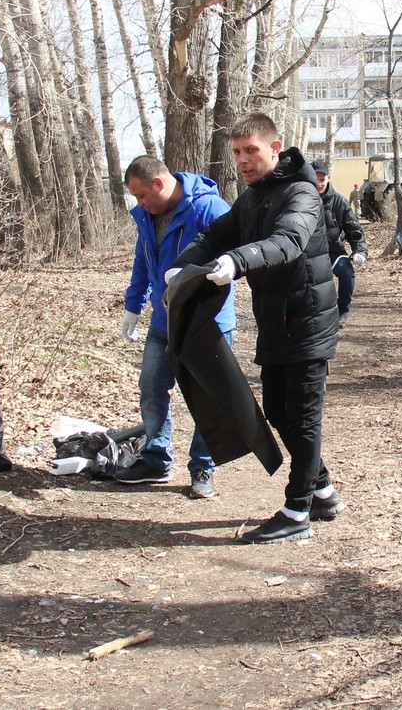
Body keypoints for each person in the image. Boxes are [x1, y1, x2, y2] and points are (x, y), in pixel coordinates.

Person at [171, 113, 343, 545]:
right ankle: (322, 489)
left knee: (301, 419)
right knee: (280, 413)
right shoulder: (250, 199)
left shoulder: (302, 193)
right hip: (275, 323)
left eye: (251, 150)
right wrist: (185, 264)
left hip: (308, 322)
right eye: (236, 152)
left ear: (274, 148)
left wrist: (235, 262)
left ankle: (297, 508)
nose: (243, 160)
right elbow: (215, 235)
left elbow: (288, 242)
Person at [118, 156, 235, 498]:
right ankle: (155, 459)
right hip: (163, 320)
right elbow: (143, 259)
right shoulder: (145, 215)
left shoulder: (209, 208)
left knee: (207, 397)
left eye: (141, 195)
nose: (139, 204)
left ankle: (203, 467)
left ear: (158, 184)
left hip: (206, 323)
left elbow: (232, 259)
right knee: (152, 386)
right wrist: (133, 306)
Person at [312, 160, 368, 328]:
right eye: (315, 179)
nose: (319, 183)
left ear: (329, 178)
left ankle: (342, 310)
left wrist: (360, 250)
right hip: (309, 252)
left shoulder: (340, 202)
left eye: (322, 179)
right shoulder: (301, 199)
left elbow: (354, 230)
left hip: (333, 251)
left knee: (346, 273)